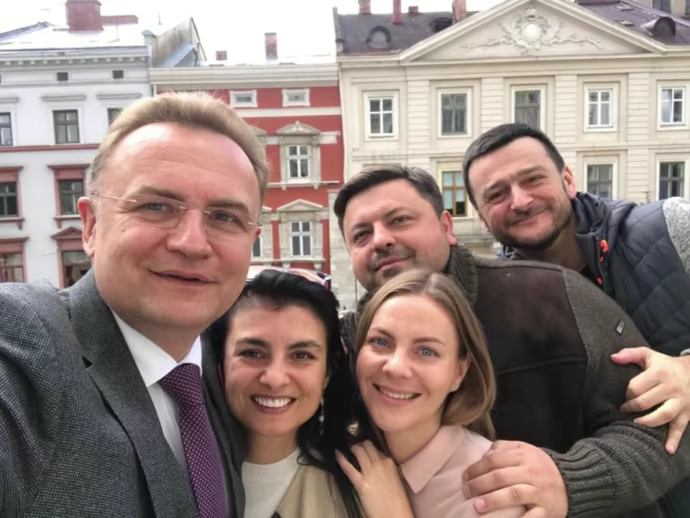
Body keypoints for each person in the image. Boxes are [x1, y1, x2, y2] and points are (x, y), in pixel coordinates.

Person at [333, 165, 690, 517]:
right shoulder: (343, 348)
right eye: (361, 235)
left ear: (446, 226)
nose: (380, 240)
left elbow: (668, 427)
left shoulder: (553, 296)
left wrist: (572, 480)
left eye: (399, 220)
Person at [0, 92, 269, 517]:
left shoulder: (223, 373)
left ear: (252, 242)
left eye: (224, 217)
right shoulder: (23, 343)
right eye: (156, 206)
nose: (192, 243)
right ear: (91, 226)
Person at [462, 122, 690, 516]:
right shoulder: (498, 304)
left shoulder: (670, 228)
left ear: (568, 180)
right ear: (482, 217)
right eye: (496, 194)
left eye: (533, 179)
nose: (520, 201)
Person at [211, 268, 412, 518]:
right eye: (252, 353)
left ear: (327, 372)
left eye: (301, 355)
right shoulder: (177, 466)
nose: (275, 379)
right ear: (219, 363)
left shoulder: (367, 484)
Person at [338, 268, 524, 518]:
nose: (395, 367)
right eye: (381, 342)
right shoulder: (338, 458)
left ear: (459, 373)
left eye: (426, 351)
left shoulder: (493, 496)